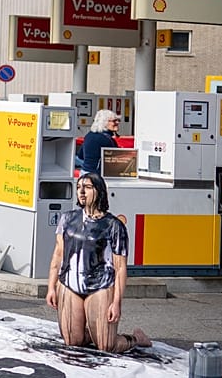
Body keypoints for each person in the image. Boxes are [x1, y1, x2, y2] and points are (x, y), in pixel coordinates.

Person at [45, 172, 151, 352]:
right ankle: (88, 331)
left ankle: (136, 339)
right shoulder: (68, 219)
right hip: (69, 284)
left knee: (106, 345)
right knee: (72, 341)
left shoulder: (114, 225)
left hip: (100, 286)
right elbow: (58, 255)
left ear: (99, 191)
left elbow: (120, 268)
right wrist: (51, 287)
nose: (81, 192)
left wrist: (117, 302)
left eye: (87, 187)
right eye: (79, 188)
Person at [77, 109, 121, 175]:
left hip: (84, 173)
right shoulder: (106, 140)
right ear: (104, 122)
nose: (117, 122)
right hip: (97, 176)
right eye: (114, 121)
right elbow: (116, 161)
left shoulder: (89, 135)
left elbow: (80, 156)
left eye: (118, 120)